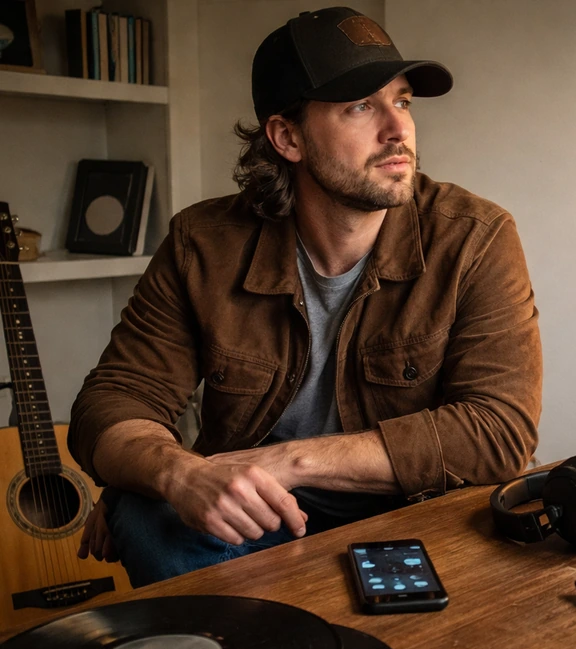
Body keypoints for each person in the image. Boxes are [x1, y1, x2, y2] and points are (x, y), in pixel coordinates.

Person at [70, 6, 542, 587]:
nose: (398, 130)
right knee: (140, 509)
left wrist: (284, 462)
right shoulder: (204, 242)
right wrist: (171, 475)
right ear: (287, 137)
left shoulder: (476, 237)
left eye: (402, 101)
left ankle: (271, 634)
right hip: (259, 513)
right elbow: (115, 399)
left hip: (412, 504)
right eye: (361, 106)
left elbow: (499, 430)